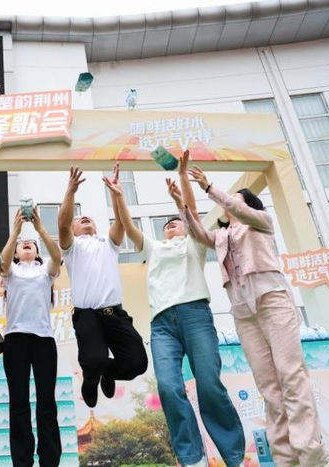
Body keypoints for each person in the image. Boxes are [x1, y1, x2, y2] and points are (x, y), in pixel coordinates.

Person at [179, 167, 329, 467]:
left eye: (235, 201)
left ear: (247, 205)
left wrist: (210, 188)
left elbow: (239, 210)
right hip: (243, 312)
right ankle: (286, 459)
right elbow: (198, 234)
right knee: (268, 387)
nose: (229, 205)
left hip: (272, 300)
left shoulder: (261, 222)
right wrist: (181, 204)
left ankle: (313, 455)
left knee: (291, 375)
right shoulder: (222, 237)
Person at [104, 152, 245, 467]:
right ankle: (191, 457)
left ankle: (234, 456)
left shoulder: (194, 244)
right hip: (162, 325)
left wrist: (182, 179)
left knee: (209, 385)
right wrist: (118, 196)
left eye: (177, 222)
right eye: (167, 224)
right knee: (168, 388)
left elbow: (191, 212)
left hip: (195, 316)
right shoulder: (154, 248)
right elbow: (128, 226)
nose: (171, 224)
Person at [58, 165, 148, 408]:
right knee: (94, 358)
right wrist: (71, 190)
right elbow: (63, 225)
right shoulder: (72, 248)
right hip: (87, 315)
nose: (84, 218)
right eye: (79, 219)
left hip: (114, 313)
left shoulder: (108, 243)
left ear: (97, 227)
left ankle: (107, 373)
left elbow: (121, 222)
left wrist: (117, 194)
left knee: (137, 363)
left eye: (88, 218)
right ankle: (91, 379)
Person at [0, 206, 62, 467]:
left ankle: (50, 460)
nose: (26, 244)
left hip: (44, 339)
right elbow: (3, 262)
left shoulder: (46, 270)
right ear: (15, 252)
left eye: (31, 244)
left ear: (37, 252)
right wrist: (15, 231)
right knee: (19, 402)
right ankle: (22, 461)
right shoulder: (10, 272)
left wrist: (39, 228)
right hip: (15, 339)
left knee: (46, 401)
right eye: (21, 244)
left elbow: (57, 256)